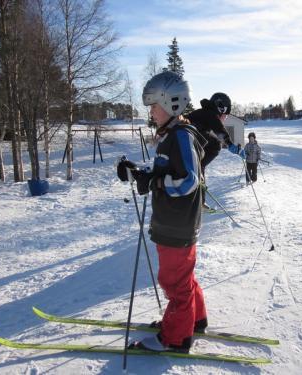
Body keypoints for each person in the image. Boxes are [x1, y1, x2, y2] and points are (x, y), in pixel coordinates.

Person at [117, 71, 207, 353]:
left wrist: (154, 182)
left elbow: (189, 180)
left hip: (176, 224)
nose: (151, 112)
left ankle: (176, 339)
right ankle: (195, 320)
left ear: (172, 104)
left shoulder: (180, 136)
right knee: (183, 278)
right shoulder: (170, 135)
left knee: (174, 282)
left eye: (154, 106)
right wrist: (139, 171)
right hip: (173, 222)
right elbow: (167, 170)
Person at [185, 92, 243, 207]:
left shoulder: (202, 113)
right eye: (225, 115)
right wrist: (230, 144)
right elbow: (219, 129)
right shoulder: (210, 114)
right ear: (221, 108)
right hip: (186, 140)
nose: (225, 118)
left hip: (185, 143)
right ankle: (199, 199)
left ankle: (199, 198)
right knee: (216, 144)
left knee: (210, 147)